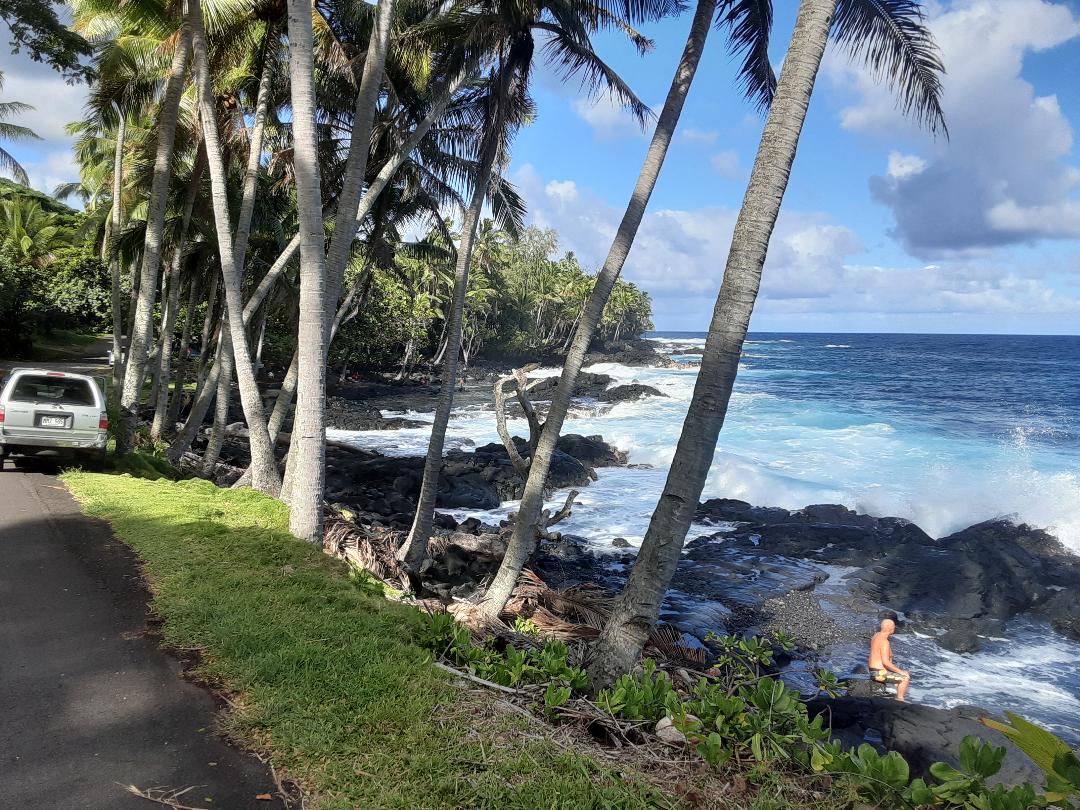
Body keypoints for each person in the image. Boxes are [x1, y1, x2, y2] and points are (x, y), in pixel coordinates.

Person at [868, 617, 911, 700]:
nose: (894, 628)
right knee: (905, 678)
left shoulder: (876, 635)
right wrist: (901, 672)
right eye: (894, 626)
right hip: (879, 673)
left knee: (898, 675)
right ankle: (899, 700)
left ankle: (891, 693)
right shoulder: (884, 641)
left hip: (872, 671)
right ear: (890, 628)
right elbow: (885, 662)